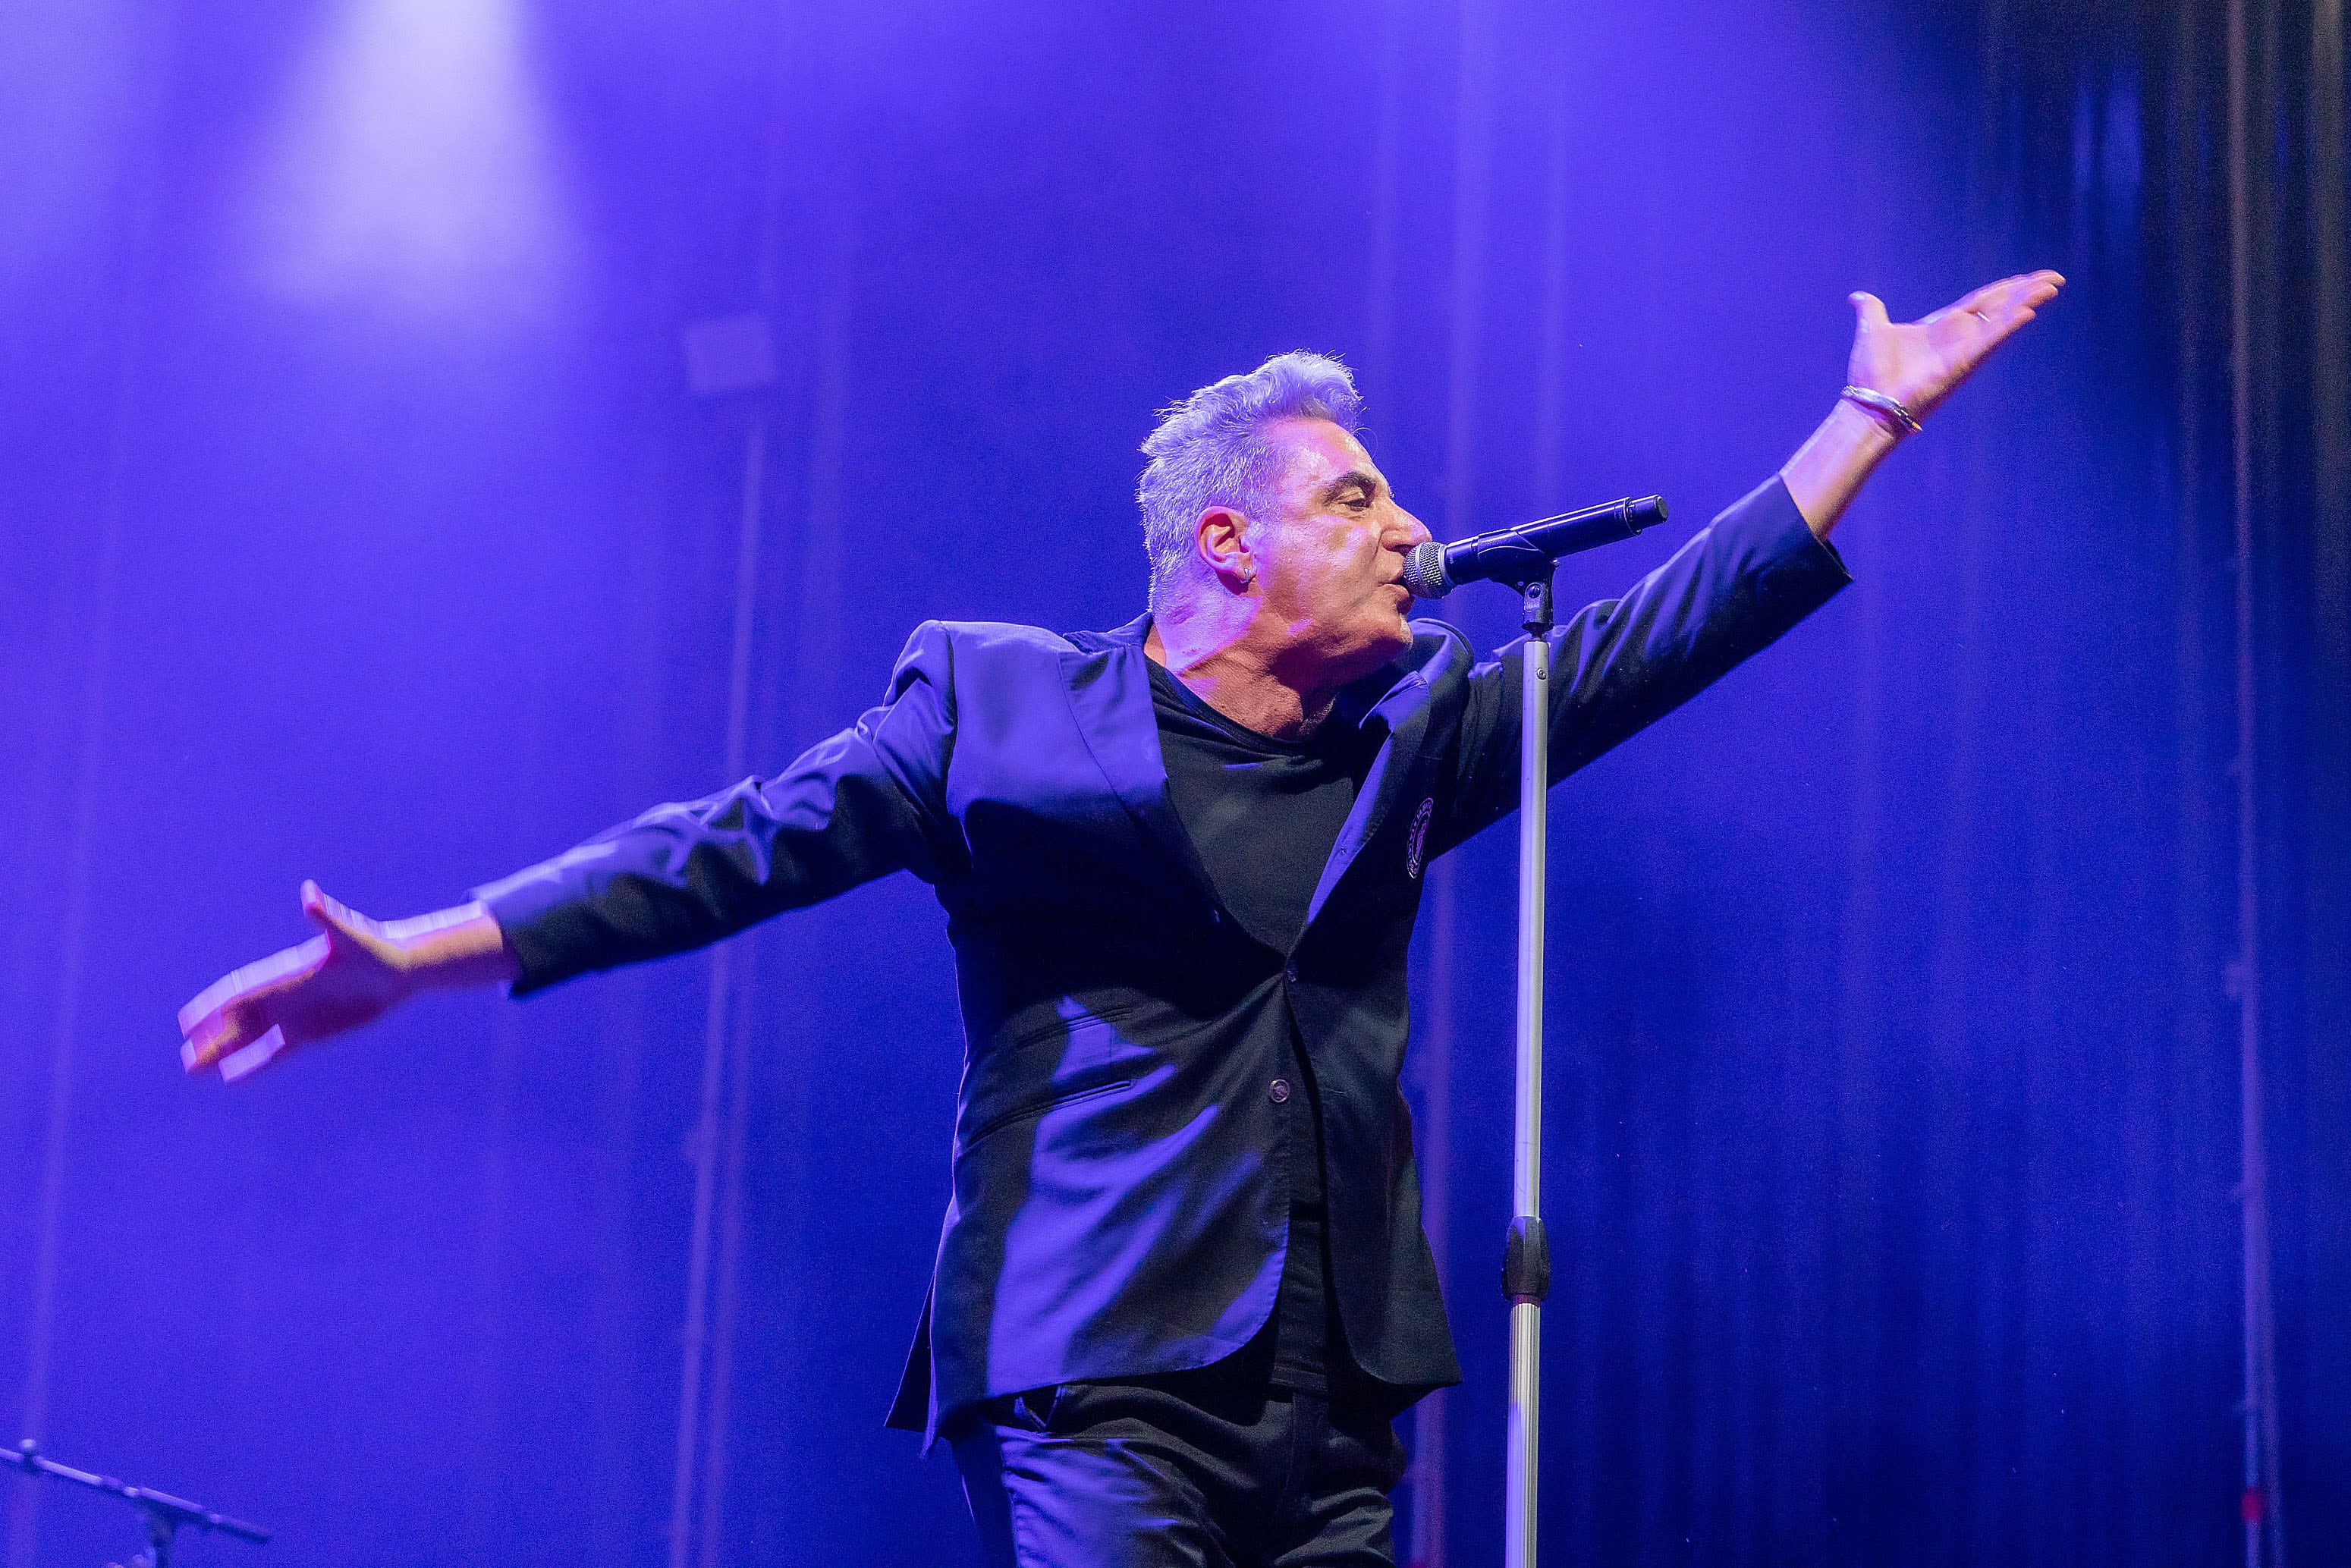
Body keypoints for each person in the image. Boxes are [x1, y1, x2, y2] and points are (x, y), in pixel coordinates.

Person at [178, 271, 2063, 1567]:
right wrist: (428, 949)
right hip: (1093, 1371)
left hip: (1334, 1399)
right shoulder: (991, 712)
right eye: (1356, 495)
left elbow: (1656, 642)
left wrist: (1858, 425)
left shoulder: (1409, 743)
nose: (1410, 528)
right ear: (1226, 545)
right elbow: (725, 845)